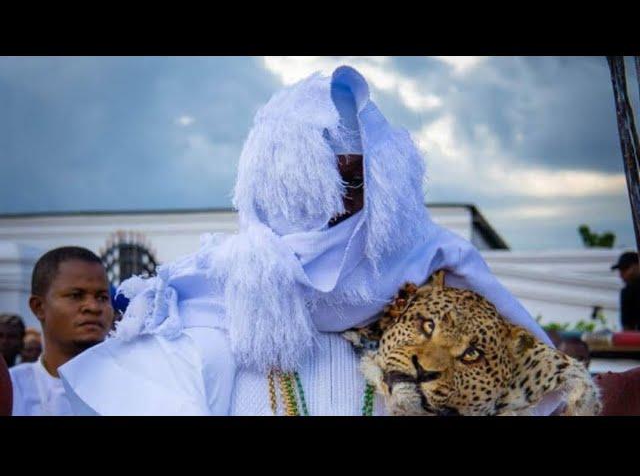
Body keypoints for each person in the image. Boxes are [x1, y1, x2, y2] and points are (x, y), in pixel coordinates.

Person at [59, 66, 561, 416]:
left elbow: (507, 380)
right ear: (280, 180)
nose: (344, 200)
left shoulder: (434, 267)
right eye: (328, 179)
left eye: (360, 181)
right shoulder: (212, 292)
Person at [9, 247, 114, 416]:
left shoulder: (137, 386)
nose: (94, 307)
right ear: (39, 307)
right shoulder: (12, 389)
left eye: (102, 297)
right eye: (76, 295)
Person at [611, 251, 640, 331]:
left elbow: (627, 328)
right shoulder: (628, 291)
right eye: (620, 270)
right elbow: (627, 327)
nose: (621, 275)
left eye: (625, 268)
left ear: (637, 265)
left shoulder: (628, 291)